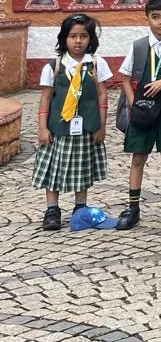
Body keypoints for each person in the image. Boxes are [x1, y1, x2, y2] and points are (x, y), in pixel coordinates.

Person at [116, 0, 161, 230]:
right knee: (138, 157)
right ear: (147, 18)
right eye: (156, 17)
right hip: (142, 111)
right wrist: (133, 102)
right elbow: (125, 78)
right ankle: (133, 207)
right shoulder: (138, 46)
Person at [33, 13, 111, 230]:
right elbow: (46, 98)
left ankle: (80, 207)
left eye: (83, 36)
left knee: (82, 167)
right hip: (58, 129)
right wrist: (42, 127)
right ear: (64, 38)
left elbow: (102, 95)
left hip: (86, 127)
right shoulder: (54, 66)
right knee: (53, 169)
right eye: (73, 36)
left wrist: (101, 126)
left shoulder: (96, 64)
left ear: (91, 39)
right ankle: (52, 209)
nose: (78, 41)